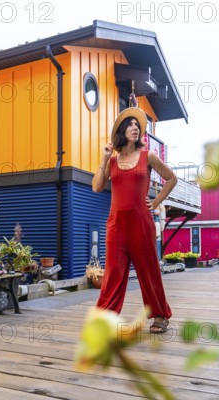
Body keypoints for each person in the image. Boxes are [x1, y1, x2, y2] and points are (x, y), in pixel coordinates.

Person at [92, 107, 177, 333]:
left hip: (141, 224)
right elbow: (97, 186)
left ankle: (160, 316)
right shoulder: (112, 161)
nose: (135, 128)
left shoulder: (147, 156)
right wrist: (104, 158)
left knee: (149, 271)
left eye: (137, 126)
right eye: (130, 125)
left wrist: (156, 202)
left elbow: (171, 178)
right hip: (116, 227)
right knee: (113, 275)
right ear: (122, 131)